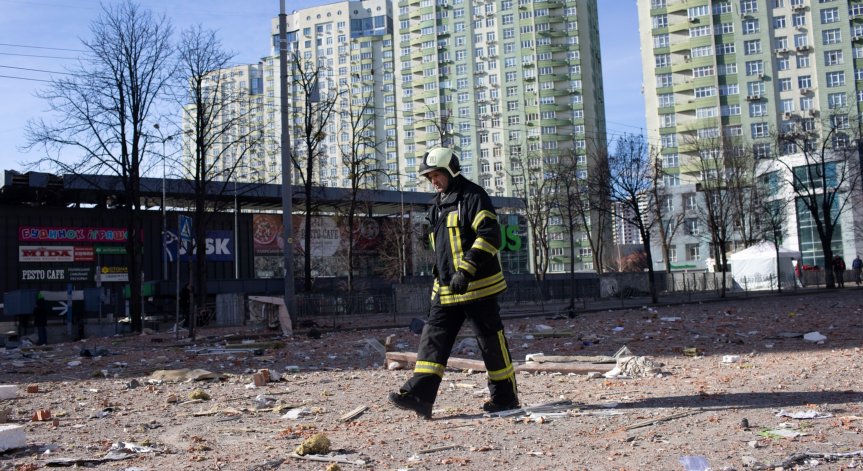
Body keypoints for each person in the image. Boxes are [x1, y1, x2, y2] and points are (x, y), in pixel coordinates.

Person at [388, 147, 519, 419]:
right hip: (446, 289)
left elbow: (490, 235)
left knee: (490, 344)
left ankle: (505, 399)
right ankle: (419, 396)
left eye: (437, 175)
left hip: (478, 286)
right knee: (432, 340)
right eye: (430, 177)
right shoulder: (437, 205)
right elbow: (442, 251)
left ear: (451, 171)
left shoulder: (473, 196)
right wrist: (441, 281)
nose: (433, 181)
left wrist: (467, 269)